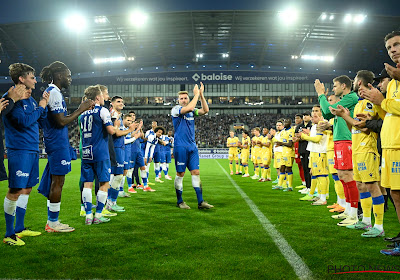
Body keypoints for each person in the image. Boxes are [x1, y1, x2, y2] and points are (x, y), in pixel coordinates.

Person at [38, 61, 94, 233]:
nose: (70, 79)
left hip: (56, 141)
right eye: (68, 75)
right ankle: (53, 223)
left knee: (54, 182)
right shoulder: (53, 92)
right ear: (60, 75)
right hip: (56, 142)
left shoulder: (53, 92)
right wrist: (81, 109)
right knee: (58, 182)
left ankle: (52, 221)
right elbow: (61, 121)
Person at [360, 31, 400, 255]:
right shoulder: (393, 82)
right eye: (389, 48)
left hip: (398, 145)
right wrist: (377, 106)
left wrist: (381, 100)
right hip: (390, 144)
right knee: (395, 193)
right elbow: (389, 115)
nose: (393, 50)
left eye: (396, 45)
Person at [2, 63, 49, 246]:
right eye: (32, 76)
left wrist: (41, 106)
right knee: (15, 190)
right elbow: (23, 121)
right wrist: (41, 107)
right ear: (21, 79)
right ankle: (8, 234)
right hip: (19, 150)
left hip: (32, 149)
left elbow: (37, 120)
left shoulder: (29, 98)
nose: (35, 80)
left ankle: (20, 229)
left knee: (27, 189)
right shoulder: (11, 98)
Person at [315, 75, 359, 224]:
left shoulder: (352, 97)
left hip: (347, 140)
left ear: (344, 86)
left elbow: (328, 112)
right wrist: (329, 126)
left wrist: (321, 94)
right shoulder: (344, 100)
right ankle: (347, 209)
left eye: (335, 86)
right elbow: (334, 115)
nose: (333, 88)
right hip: (339, 140)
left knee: (348, 176)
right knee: (342, 175)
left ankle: (354, 214)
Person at [80, 86, 126, 225]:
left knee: (87, 184)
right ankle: (98, 215)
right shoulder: (103, 110)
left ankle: (88, 215)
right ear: (98, 97)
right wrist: (116, 124)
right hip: (100, 151)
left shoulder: (83, 113)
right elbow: (111, 131)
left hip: (87, 151)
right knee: (104, 183)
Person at [171, 82, 214, 209]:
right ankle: (180, 201)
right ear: (178, 100)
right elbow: (188, 108)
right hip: (180, 147)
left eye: (185, 98)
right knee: (180, 174)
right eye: (182, 98)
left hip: (192, 147)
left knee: (195, 172)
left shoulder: (192, 111)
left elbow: (205, 110)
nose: (184, 100)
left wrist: (201, 95)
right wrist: (195, 95)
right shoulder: (176, 109)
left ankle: (201, 202)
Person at [274, 119, 295, 191]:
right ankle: (280, 185)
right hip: (283, 152)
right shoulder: (284, 132)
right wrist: (279, 143)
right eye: (284, 122)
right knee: (282, 168)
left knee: (288, 168)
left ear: (290, 123)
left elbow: (290, 144)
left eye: (287, 122)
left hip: (289, 152)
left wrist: (281, 143)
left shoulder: (291, 131)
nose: (285, 123)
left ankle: (290, 186)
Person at [294, 112, 313, 192]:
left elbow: (311, 136)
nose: (305, 117)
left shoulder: (312, 126)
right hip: (302, 149)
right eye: (304, 116)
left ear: (310, 117)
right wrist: (298, 138)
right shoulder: (299, 126)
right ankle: (307, 186)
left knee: (310, 169)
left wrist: (301, 137)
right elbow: (296, 137)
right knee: (305, 168)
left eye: (307, 115)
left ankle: (312, 187)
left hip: (310, 149)